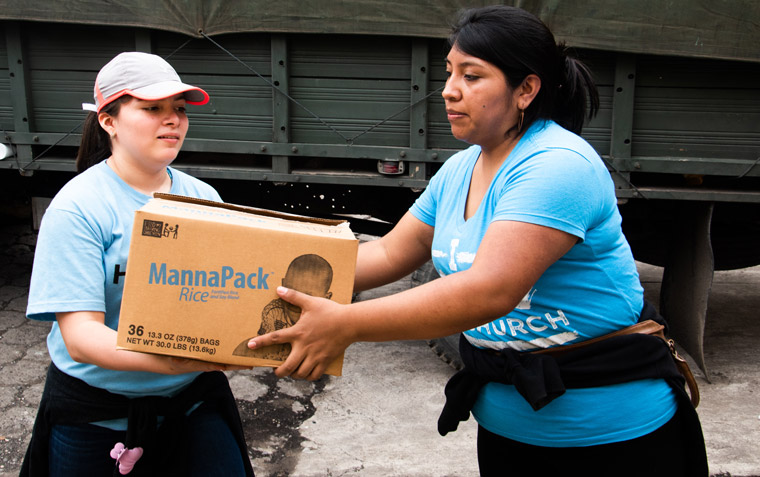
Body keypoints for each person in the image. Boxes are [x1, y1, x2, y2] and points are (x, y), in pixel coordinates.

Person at [247, 6, 707, 476]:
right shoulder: (461, 168)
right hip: (510, 431)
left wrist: (346, 324)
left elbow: (490, 290)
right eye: (449, 73)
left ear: (525, 89)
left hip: (613, 440)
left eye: (472, 76)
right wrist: (261, 275)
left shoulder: (558, 165)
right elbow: (388, 252)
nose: (448, 89)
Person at [21, 52, 253, 477]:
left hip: (191, 402)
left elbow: (227, 296)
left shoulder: (202, 198)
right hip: (96, 417)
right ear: (109, 120)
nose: (173, 121)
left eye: (179, 110)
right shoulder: (78, 208)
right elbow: (82, 338)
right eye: (152, 109)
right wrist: (172, 361)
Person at [233, 254, 334, 361]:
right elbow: (264, 343)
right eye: (291, 290)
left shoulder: (325, 318)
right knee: (243, 349)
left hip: (308, 351)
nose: (295, 300)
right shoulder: (273, 311)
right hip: (274, 349)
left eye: (307, 296)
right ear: (283, 284)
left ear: (326, 298)